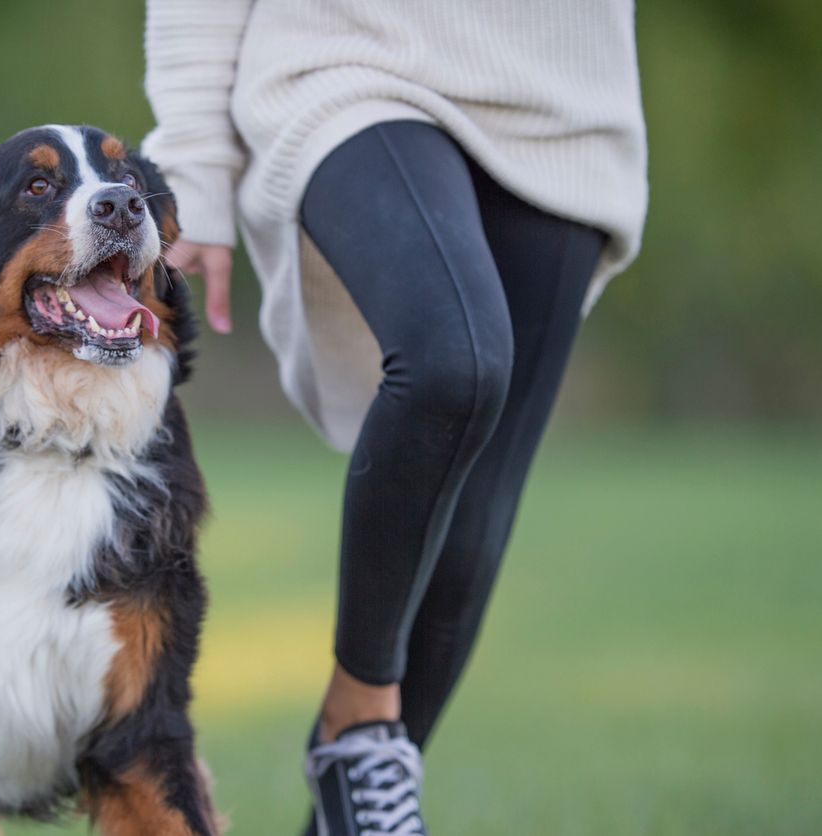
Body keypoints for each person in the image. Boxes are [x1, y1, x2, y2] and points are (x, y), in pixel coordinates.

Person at [142, 2, 648, 834]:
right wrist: (193, 157)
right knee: (457, 362)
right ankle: (359, 717)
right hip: (348, 55)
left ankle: (351, 786)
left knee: (474, 517)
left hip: (567, 102)